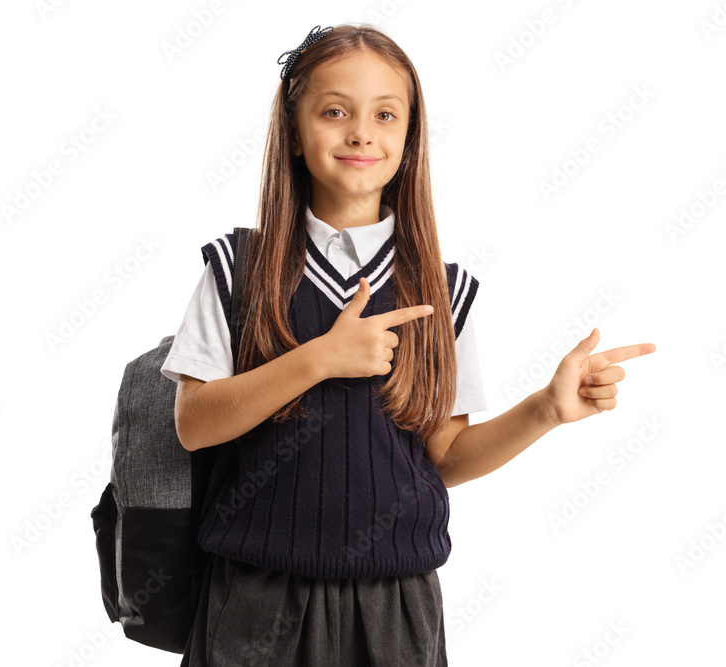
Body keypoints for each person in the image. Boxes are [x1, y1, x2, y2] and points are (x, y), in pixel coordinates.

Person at [160, 23, 656, 667]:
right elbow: (194, 425)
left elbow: (444, 456)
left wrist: (546, 410)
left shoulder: (443, 292)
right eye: (334, 111)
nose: (361, 132)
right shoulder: (237, 268)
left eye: (385, 114)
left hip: (394, 607)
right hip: (256, 597)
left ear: (410, 137)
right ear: (292, 132)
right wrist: (320, 358)